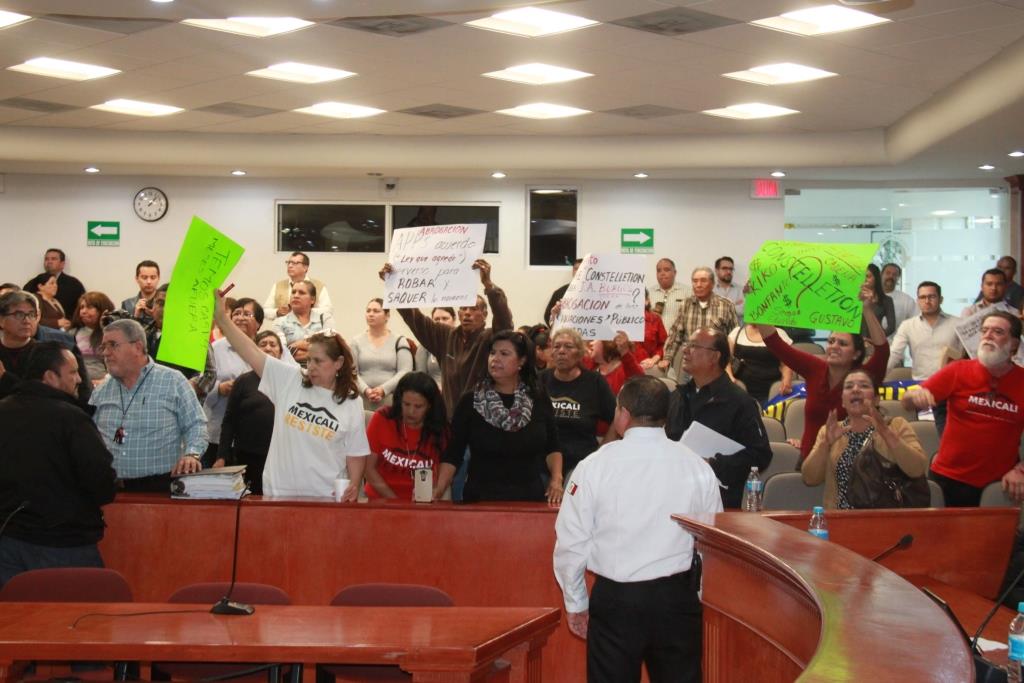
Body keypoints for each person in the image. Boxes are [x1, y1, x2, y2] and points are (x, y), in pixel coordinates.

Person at [553, 375, 722, 683]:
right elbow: (712, 543)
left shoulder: (593, 466)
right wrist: (696, 596)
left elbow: (572, 543)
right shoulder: (697, 467)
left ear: (623, 414)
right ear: (665, 416)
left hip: (617, 600)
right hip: (677, 599)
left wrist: (576, 603)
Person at [214, 291, 368, 499]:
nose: (311, 367)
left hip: (325, 496)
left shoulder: (352, 402)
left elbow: (355, 453)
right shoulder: (289, 379)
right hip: (279, 495)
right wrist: (222, 319)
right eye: (310, 359)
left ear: (339, 363)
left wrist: (354, 485)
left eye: (319, 361)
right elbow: (250, 351)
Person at [0, 342, 116, 587]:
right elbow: (101, 480)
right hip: (66, 544)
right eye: (73, 372)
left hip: (8, 540)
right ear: (50, 377)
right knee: (77, 620)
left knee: (13, 621)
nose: (78, 379)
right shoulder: (72, 418)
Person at [903, 311, 1024, 506]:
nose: (988, 336)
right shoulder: (958, 370)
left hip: (999, 485)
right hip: (949, 478)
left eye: (998, 331)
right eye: (984, 330)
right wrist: (914, 397)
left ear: (1014, 345)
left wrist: (1021, 470)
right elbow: (907, 401)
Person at [759, 284, 889, 458]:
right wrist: (757, 300)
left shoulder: (865, 378)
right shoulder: (815, 368)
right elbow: (775, 343)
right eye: (831, 341)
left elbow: (882, 350)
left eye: (842, 344)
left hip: (852, 464)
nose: (834, 347)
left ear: (857, 353)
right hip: (811, 461)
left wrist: (866, 310)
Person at [435, 331, 562, 503]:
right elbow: (453, 453)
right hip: (481, 499)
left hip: (529, 498)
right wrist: (439, 489)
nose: (495, 358)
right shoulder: (471, 400)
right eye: (493, 352)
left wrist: (556, 479)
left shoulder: (537, 399)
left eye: (504, 354)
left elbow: (552, 446)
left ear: (522, 361)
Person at [380, 259, 513, 417]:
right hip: (450, 419)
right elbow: (414, 318)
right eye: (463, 308)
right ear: (458, 314)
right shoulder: (446, 336)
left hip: (482, 420)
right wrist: (393, 285)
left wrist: (489, 285)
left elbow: (504, 321)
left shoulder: (491, 338)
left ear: (484, 315)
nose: (468, 313)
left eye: (473, 308)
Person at [90, 319, 206, 491]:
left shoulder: (173, 381)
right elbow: (89, 436)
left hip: (160, 487)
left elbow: (196, 425)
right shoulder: (102, 391)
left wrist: (192, 454)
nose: (106, 353)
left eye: (113, 345)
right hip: (112, 489)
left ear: (137, 347)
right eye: (103, 347)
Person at [664, 329, 772, 508]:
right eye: (687, 345)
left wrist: (713, 464)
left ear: (714, 357)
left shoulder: (739, 402)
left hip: (717, 502)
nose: (685, 350)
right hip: (674, 496)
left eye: (693, 346)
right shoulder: (678, 395)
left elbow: (760, 455)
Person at [803, 368, 927, 509]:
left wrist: (887, 434)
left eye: (864, 386)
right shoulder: (829, 430)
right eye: (849, 386)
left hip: (887, 519)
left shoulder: (896, 426)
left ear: (876, 399)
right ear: (843, 401)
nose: (855, 390)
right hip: (840, 520)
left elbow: (917, 469)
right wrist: (825, 444)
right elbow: (809, 479)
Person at [215, 330, 285, 494]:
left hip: (280, 458)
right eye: (263, 344)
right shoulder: (243, 381)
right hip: (247, 456)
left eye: (273, 344)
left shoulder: (292, 380)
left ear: (281, 353)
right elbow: (229, 421)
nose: (268, 348)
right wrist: (221, 457)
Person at [888, 281, 962, 434]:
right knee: (923, 435)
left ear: (940, 299)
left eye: (931, 296)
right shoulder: (908, 325)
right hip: (920, 389)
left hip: (951, 391)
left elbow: (969, 357)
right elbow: (894, 355)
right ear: (917, 300)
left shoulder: (958, 323)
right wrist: (874, 377)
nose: (927, 301)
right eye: (922, 297)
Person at [541, 327, 616, 478]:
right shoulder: (540, 379)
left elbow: (616, 419)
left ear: (580, 353)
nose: (562, 351)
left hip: (581, 465)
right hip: (542, 464)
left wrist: (600, 455)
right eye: (557, 346)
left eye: (568, 346)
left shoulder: (594, 382)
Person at [364, 372, 448, 500]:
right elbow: (368, 469)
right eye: (406, 404)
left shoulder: (440, 429)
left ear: (430, 406)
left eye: (418, 406)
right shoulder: (382, 419)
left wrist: (435, 492)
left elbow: (444, 472)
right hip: (381, 500)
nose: (411, 412)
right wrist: (395, 502)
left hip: (422, 504)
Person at [203, 298, 266, 467]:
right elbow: (200, 386)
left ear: (259, 323)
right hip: (217, 435)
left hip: (254, 440)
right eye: (236, 313)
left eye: (247, 314)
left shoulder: (266, 348)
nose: (240, 317)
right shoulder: (215, 348)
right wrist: (219, 389)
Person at [660, 266, 739, 378]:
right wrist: (667, 358)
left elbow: (734, 336)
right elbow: (676, 334)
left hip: (715, 365)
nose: (698, 285)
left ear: (712, 284)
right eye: (695, 281)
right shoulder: (686, 304)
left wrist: (730, 366)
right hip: (690, 364)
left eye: (703, 281)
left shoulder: (726, 305)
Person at [144, 284, 216, 401]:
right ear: (153, 306)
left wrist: (185, 387)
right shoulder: (142, 334)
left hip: (180, 406)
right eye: (160, 303)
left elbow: (209, 374)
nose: (165, 309)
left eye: (171, 304)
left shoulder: (194, 336)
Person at [351, 298, 413, 410]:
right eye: (368, 311)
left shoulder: (399, 340)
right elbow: (352, 372)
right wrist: (366, 390)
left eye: (376, 311)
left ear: (387, 316)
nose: (371, 314)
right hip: (362, 401)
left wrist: (383, 389)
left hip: (391, 400)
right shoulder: (356, 341)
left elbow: (405, 371)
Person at [726, 323, 793, 404]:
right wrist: (730, 377)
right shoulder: (736, 333)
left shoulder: (780, 334)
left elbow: (787, 363)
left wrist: (787, 379)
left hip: (772, 390)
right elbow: (725, 359)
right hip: (741, 389)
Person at [272, 280, 335, 364]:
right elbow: (281, 354)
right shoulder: (279, 322)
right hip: (290, 372)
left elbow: (330, 350)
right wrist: (316, 351)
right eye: (293, 292)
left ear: (312, 300)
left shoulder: (325, 319)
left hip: (321, 372)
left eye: (301, 293)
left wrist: (293, 346)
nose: (296, 296)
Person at [263, 251, 332, 322]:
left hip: (311, 330)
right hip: (283, 330)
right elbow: (265, 311)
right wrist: (277, 312)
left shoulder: (318, 286)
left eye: (294, 263)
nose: (290, 266)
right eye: (288, 262)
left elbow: (328, 310)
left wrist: (304, 311)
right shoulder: (278, 286)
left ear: (305, 267)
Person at [23, 248, 85, 317]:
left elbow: (81, 307)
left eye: (53, 259)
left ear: (62, 264)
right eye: (46, 259)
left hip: (68, 324)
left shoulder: (74, 284)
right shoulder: (35, 282)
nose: (49, 261)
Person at [69, 291, 115, 383]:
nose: (83, 311)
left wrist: (104, 381)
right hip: (79, 383)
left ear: (102, 311)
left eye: (89, 307)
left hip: (105, 383)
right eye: (81, 307)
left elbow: (118, 363)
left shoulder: (111, 334)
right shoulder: (72, 334)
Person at [414, 307, 454, 390]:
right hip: (432, 393)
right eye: (436, 319)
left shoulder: (462, 342)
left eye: (445, 318)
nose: (441, 322)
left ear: (454, 319)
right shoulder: (424, 345)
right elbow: (421, 377)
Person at [650, 258, 689, 332]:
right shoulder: (649, 293)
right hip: (655, 341)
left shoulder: (687, 292)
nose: (662, 273)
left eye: (666, 270)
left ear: (675, 272)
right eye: (659, 271)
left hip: (678, 340)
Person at [119, 260, 160, 326]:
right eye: (144, 277)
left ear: (158, 278)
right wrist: (136, 316)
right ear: (136, 279)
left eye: (153, 277)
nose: (149, 282)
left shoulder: (167, 303)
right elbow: (125, 334)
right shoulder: (127, 305)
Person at [543, 258, 582, 325]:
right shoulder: (560, 292)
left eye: (582, 269)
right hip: (565, 333)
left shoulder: (595, 293)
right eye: (576, 269)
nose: (579, 272)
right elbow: (547, 315)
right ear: (572, 271)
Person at [635, 290, 668, 371]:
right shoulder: (616, 320)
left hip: (649, 368)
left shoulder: (655, 319)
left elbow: (663, 344)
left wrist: (654, 360)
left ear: (646, 301)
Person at [881, 263, 917, 332]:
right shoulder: (868, 296)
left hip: (895, 342)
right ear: (881, 274)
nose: (891, 276)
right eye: (888, 273)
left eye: (895, 275)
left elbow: (918, 322)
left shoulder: (906, 300)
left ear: (898, 278)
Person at [864, 264, 896, 337]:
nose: (864, 279)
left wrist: (877, 338)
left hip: (874, 344)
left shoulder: (887, 300)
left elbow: (891, 327)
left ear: (876, 278)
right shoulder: (853, 298)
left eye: (868, 276)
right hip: (853, 344)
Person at [713, 256, 744, 321]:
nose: (728, 272)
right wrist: (734, 306)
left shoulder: (741, 290)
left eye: (731, 269)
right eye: (724, 268)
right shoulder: (710, 290)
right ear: (716, 271)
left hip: (737, 330)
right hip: (714, 330)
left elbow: (743, 310)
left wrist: (719, 308)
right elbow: (709, 312)